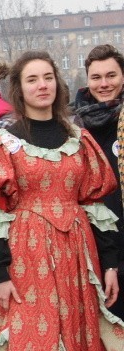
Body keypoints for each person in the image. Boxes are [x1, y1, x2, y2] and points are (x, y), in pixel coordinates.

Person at [0, 51, 124, 350]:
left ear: (58, 84)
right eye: (32, 80)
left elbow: (95, 207)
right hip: (26, 257)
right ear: (19, 90)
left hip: (77, 254)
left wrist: (110, 265)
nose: (42, 85)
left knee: (78, 334)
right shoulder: (3, 141)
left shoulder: (79, 139)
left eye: (48, 78)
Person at [73, 44, 124, 320]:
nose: (104, 84)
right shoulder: (73, 126)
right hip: (93, 244)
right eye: (96, 77)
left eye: (111, 75)